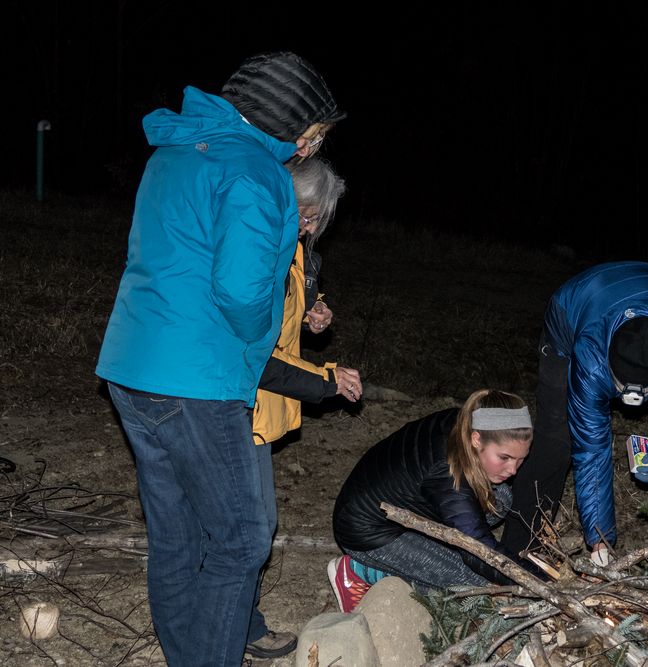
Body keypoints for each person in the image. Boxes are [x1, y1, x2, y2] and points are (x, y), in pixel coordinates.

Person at [95, 52, 344, 667]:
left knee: (177, 535)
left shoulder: (176, 152)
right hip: (197, 383)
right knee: (240, 542)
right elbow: (240, 293)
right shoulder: (255, 172)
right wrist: (265, 335)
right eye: (315, 129)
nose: (315, 143)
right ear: (288, 119)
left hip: (133, 367)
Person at [500, 260, 648, 565]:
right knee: (556, 436)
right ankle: (519, 547)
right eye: (623, 388)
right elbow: (591, 449)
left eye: (643, 393)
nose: (631, 400)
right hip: (574, 307)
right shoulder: (590, 355)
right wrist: (600, 540)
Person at [245, 157, 362, 659]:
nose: (312, 227)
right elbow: (254, 357)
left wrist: (312, 315)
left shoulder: (297, 253)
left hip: (262, 407)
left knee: (252, 524)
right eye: (307, 214)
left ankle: (240, 626)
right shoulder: (255, 250)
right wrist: (326, 379)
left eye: (317, 219)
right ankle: (239, 630)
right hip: (238, 404)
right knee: (249, 528)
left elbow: (283, 322)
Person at [331, 390, 534, 612]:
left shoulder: (467, 421)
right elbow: (477, 549)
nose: (513, 469)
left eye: (521, 459)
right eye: (504, 458)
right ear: (476, 439)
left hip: (402, 501)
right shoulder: (448, 475)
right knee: (477, 587)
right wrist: (539, 583)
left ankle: (433, 545)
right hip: (366, 529)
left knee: (501, 497)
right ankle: (358, 571)